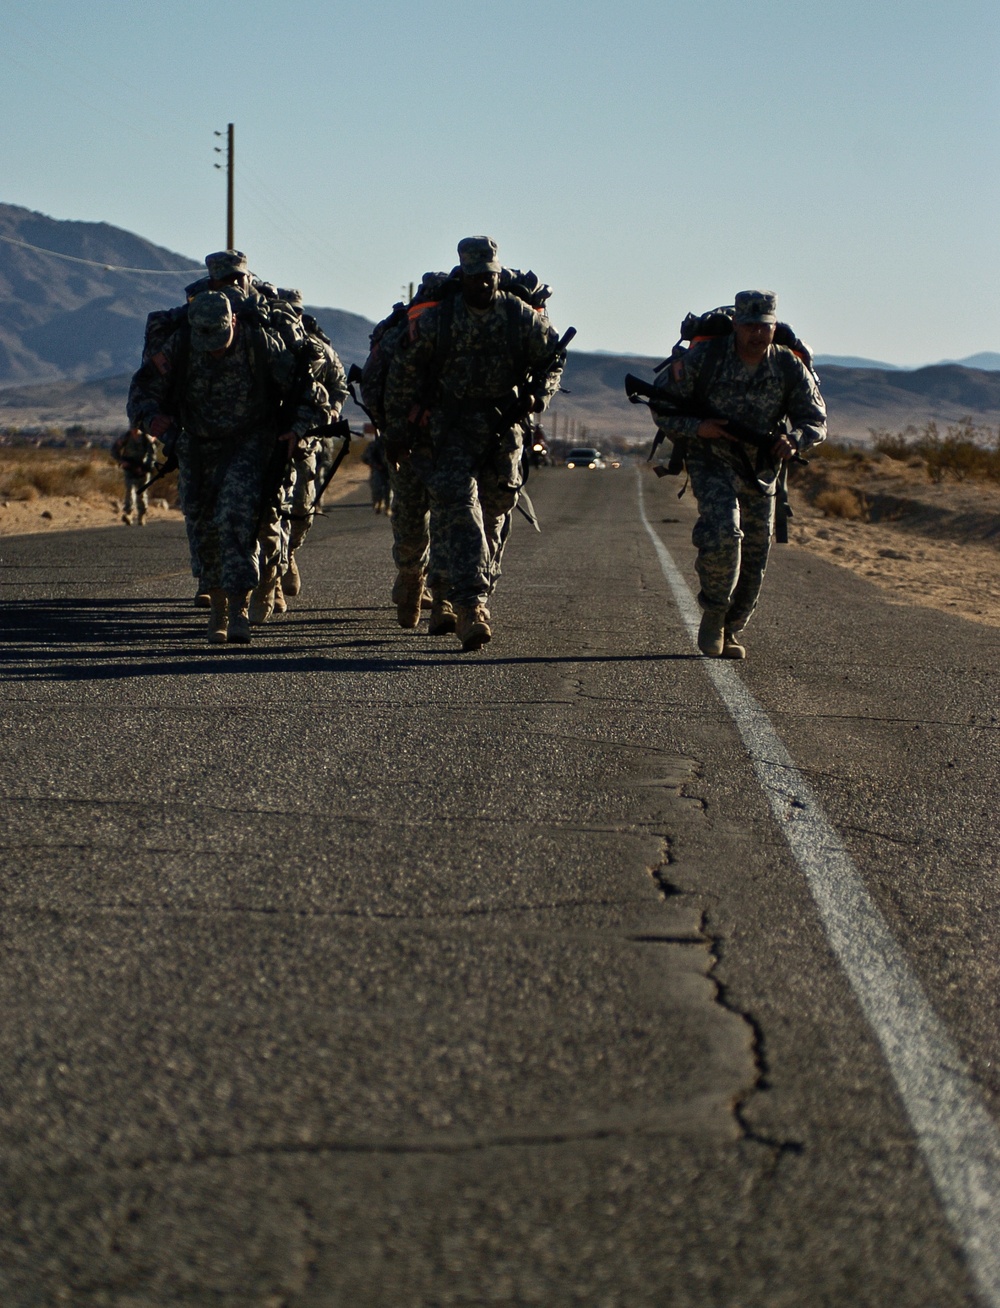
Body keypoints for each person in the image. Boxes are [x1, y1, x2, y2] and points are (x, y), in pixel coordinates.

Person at [383, 236, 564, 651]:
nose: (483, 284)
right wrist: (396, 430)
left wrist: (540, 395)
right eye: (476, 276)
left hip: (503, 427)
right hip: (449, 428)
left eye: (490, 276)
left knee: (495, 512)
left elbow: (551, 359)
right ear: (463, 275)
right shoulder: (439, 321)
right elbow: (403, 373)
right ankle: (470, 606)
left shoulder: (520, 317)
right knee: (460, 509)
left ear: (497, 275)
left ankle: (457, 592)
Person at [127, 291, 330, 645]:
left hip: (250, 442)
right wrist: (153, 418)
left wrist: (296, 430)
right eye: (205, 339)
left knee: (235, 515)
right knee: (202, 524)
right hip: (197, 444)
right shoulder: (181, 346)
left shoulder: (260, 345)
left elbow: (312, 396)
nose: (214, 348)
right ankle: (217, 608)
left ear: (233, 321)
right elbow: (141, 392)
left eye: (219, 338)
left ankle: (238, 609)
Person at [649, 289, 826, 659]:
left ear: (774, 327)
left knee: (756, 552)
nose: (757, 334)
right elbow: (662, 405)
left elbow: (815, 420)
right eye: (749, 326)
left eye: (764, 327)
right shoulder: (707, 358)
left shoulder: (787, 366)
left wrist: (794, 441)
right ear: (736, 325)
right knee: (723, 532)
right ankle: (714, 612)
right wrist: (699, 429)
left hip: (762, 468)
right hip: (711, 457)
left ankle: (732, 626)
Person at [111, 426, 157, 525]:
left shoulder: (146, 438)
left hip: (142, 469)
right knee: (129, 490)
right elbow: (114, 449)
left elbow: (152, 454)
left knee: (141, 493)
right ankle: (129, 513)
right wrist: (121, 461)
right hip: (129, 468)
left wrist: (146, 468)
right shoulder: (126, 437)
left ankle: (142, 514)